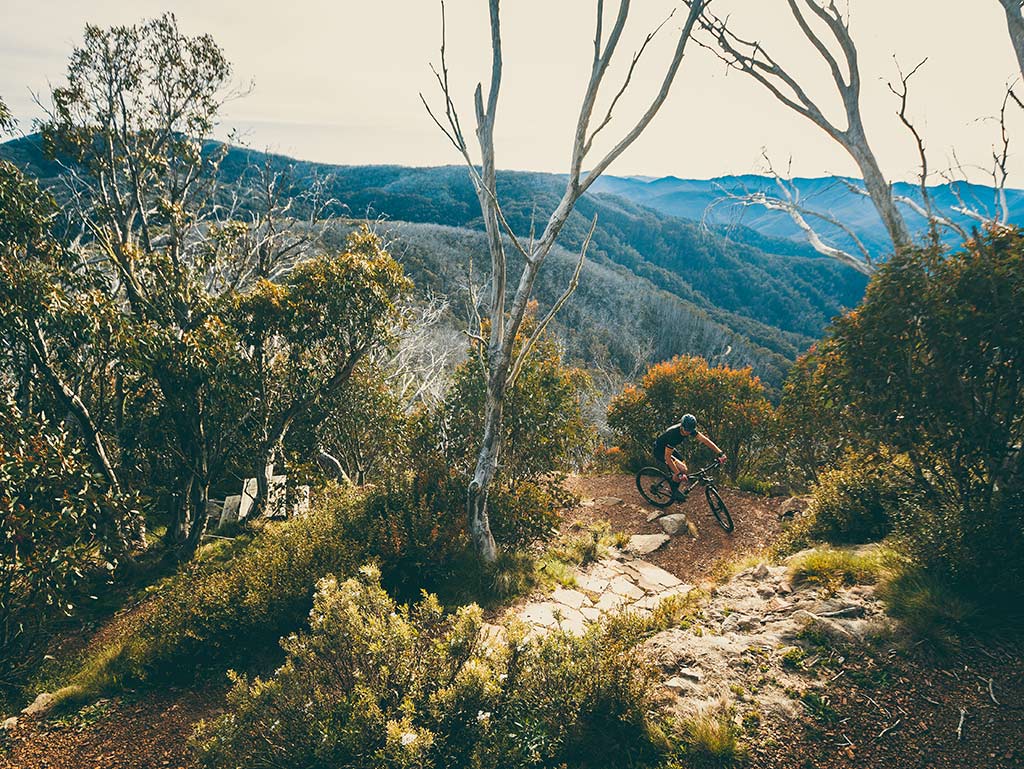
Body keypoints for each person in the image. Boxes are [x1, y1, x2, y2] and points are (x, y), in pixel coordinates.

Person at [653, 413, 727, 499]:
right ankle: (674, 491)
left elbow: (705, 440)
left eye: (690, 431)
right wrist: (678, 473)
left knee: (684, 469)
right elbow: (667, 458)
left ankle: (674, 483)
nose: (688, 432)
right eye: (686, 430)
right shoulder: (673, 435)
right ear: (681, 426)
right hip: (660, 451)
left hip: (669, 449)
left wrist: (720, 453)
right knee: (681, 469)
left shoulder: (690, 429)